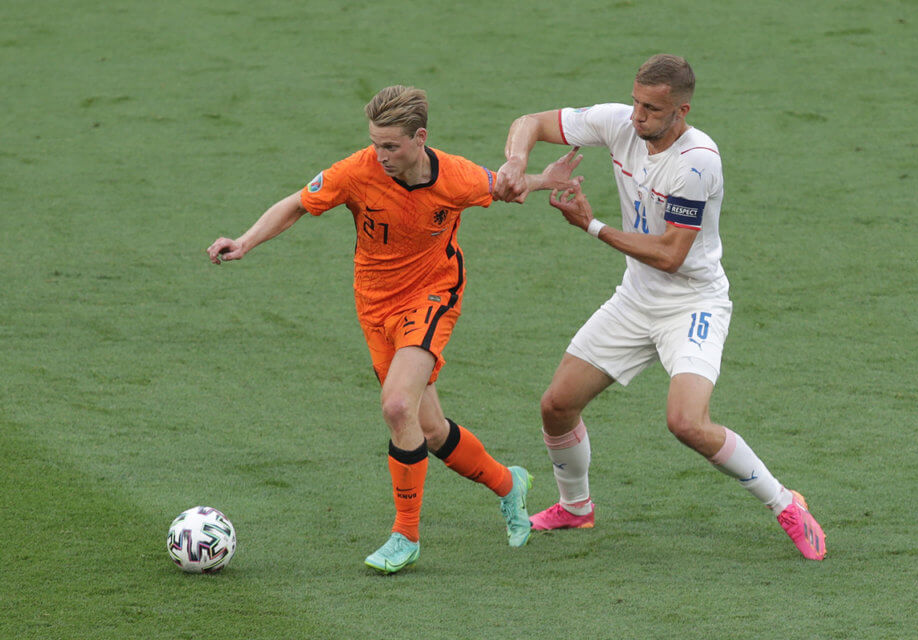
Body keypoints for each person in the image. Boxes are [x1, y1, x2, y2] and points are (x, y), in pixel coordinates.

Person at [206, 86, 583, 573]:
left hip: (433, 295)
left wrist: (540, 178)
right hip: (374, 305)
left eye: (390, 146)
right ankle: (510, 484)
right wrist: (245, 241)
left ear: (419, 138)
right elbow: (297, 203)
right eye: (374, 143)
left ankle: (405, 535)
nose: (379, 155)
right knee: (427, 429)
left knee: (397, 405)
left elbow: (501, 187)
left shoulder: (456, 175)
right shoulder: (357, 171)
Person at [494, 55, 826, 560]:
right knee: (556, 406)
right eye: (635, 102)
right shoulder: (620, 123)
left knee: (687, 422)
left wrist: (591, 225)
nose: (637, 117)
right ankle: (575, 507)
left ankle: (785, 503)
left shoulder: (697, 163)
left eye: (651, 109)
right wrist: (517, 160)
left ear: (681, 110)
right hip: (635, 300)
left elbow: (672, 256)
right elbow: (532, 123)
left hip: (693, 303)